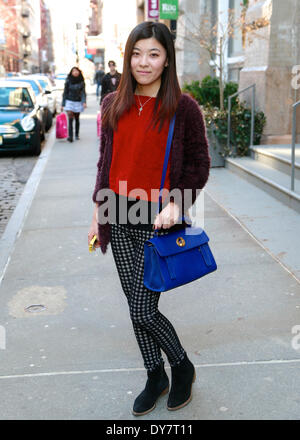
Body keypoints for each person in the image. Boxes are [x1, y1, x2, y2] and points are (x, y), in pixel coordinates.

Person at [88, 21, 211, 416]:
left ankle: (181, 366)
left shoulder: (183, 107)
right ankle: (154, 373)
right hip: (117, 214)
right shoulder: (113, 103)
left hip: (156, 219)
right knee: (135, 305)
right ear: (127, 56)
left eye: (153, 54)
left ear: (166, 60)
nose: (144, 62)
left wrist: (178, 202)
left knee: (143, 309)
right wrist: (96, 214)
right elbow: (105, 164)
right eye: (137, 53)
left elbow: (199, 165)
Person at [61, 66, 86, 142]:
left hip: (78, 101)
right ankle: (70, 136)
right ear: (71, 72)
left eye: (76, 71)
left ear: (79, 72)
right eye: (73, 71)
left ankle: (76, 134)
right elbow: (65, 92)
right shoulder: (68, 80)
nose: (75, 72)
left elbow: (83, 93)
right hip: (69, 101)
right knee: (70, 117)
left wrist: (84, 102)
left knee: (77, 118)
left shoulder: (81, 81)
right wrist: (63, 104)